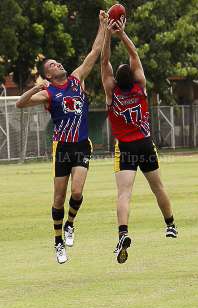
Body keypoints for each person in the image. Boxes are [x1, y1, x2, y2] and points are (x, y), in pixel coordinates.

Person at [16, 11, 108, 264]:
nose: (59, 65)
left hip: (81, 144)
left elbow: (95, 51)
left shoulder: (77, 80)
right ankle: (58, 242)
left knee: (76, 192)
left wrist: (102, 25)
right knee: (58, 197)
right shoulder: (49, 92)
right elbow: (19, 105)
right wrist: (36, 87)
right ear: (48, 75)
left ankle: (70, 225)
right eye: (53, 65)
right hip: (63, 148)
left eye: (58, 62)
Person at [101, 18, 178, 264]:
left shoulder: (111, 92)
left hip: (125, 146)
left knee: (124, 192)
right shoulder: (141, 87)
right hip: (145, 142)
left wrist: (107, 35)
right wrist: (122, 34)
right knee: (158, 188)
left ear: (115, 80)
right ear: (134, 76)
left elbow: (104, 62)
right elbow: (133, 53)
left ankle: (123, 232)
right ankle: (170, 225)